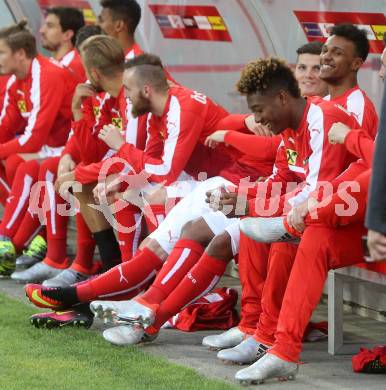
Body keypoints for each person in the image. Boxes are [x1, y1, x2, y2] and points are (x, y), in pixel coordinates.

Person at [202, 24, 378, 364]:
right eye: (321, 53)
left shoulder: (347, 110)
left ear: (357, 63)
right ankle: (254, 326)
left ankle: (269, 334)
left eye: (334, 53)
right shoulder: (308, 110)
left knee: (287, 233)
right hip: (324, 205)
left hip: (349, 214)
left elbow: (339, 179)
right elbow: (287, 173)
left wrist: (266, 203)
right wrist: (248, 200)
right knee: (257, 221)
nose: (324, 59)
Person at [11, 0, 145, 285]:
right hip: (131, 164)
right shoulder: (108, 89)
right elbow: (95, 145)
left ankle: (121, 275)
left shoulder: (134, 77)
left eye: (102, 19)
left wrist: (80, 167)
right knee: (69, 174)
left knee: (86, 180)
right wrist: (77, 117)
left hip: (155, 171)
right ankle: (98, 266)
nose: (96, 24)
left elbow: (135, 155)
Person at [0, 21, 75, 276]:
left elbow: (33, 138)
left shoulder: (47, 74)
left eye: (1, 52)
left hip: (69, 147)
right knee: (12, 162)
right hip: (51, 147)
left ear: (20, 54)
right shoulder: (15, 80)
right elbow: (6, 125)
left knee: (24, 165)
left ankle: (11, 241)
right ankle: (23, 239)